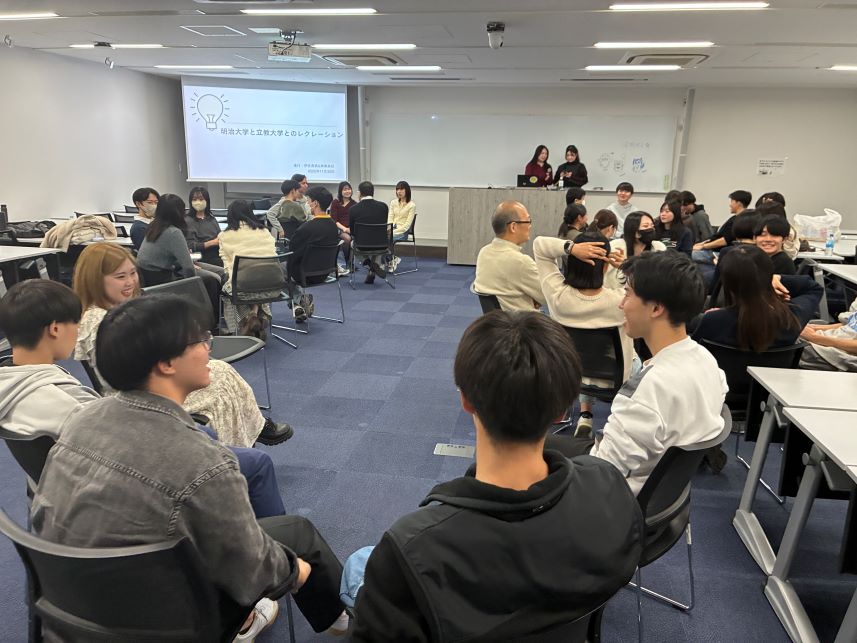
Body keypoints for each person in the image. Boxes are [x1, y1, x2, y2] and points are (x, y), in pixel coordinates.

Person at [30, 294, 349, 640]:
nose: (209, 347)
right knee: (298, 539)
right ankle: (349, 621)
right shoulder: (206, 463)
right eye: (201, 340)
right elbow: (251, 570)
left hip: (76, 609)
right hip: (166, 621)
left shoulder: (82, 421)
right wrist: (294, 572)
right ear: (167, 363)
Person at [349, 311, 644, 642]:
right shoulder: (609, 489)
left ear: (465, 400)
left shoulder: (411, 550)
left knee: (357, 566)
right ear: (563, 409)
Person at [0, 279, 289, 520]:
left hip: (67, 494)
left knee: (205, 431)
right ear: (55, 329)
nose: (78, 331)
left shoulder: (15, 382)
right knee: (255, 463)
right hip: (120, 488)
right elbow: (117, 442)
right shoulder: (57, 398)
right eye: (75, 323)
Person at [73, 242, 292, 448]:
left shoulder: (117, 311)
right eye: (121, 276)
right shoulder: (99, 322)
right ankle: (243, 440)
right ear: (95, 281)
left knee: (220, 371)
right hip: (141, 398)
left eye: (132, 273)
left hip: (150, 384)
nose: (130, 281)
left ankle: (252, 429)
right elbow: (127, 376)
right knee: (220, 381)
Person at [546, 251, 728, 495]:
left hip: (621, 496)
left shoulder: (646, 390)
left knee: (528, 448)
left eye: (628, 294)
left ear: (656, 308)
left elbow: (602, 472)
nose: (621, 304)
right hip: (662, 490)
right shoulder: (706, 360)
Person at [534, 232, 634, 437]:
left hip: (570, 375)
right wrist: (627, 267)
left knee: (581, 353)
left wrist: (571, 248)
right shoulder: (622, 302)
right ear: (605, 267)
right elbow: (650, 287)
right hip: (615, 380)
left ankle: (585, 415)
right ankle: (622, 419)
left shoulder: (557, 296)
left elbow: (539, 246)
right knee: (640, 359)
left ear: (570, 263)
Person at [473, 201, 607, 311]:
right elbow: (553, 297)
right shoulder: (520, 262)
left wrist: (533, 298)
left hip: (498, 325)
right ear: (513, 227)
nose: (530, 225)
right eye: (528, 220)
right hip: (525, 327)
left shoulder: (484, 252)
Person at [692, 245, 821, 352]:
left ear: (726, 281)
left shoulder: (714, 320)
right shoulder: (792, 317)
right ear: (769, 272)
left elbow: (694, 354)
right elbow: (814, 287)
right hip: (774, 375)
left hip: (725, 376)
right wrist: (778, 277)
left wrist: (717, 315)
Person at [135, 193, 224, 324]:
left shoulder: (154, 226)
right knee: (213, 279)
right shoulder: (173, 232)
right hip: (165, 278)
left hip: (152, 277)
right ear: (178, 212)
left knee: (217, 272)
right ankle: (212, 322)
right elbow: (188, 269)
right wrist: (193, 287)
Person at [219, 199, 281, 336]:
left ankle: (247, 319)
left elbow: (227, 267)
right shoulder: (265, 231)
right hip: (273, 286)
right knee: (256, 280)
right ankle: (255, 314)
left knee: (232, 286)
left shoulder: (225, 235)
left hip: (243, 288)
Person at [287, 186, 340, 320]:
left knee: (277, 271)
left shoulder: (306, 228)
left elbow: (292, 252)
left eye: (308, 201)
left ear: (315, 203)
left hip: (304, 275)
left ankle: (298, 301)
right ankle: (298, 304)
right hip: (325, 273)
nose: (307, 203)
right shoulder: (333, 226)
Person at [348, 181, 390, 285]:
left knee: (352, 244)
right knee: (377, 244)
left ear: (360, 193)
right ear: (373, 192)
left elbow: (352, 232)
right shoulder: (383, 207)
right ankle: (374, 267)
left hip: (361, 246)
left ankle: (370, 265)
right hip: (382, 245)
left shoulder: (353, 209)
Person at [799, 301, 857, 372]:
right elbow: (851, 324)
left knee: (790, 344)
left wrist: (814, 337)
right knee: (791, 330)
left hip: (840, 354)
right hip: (830, 340)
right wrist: (813, 328)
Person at [693, 189, 752, 254]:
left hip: (718, 252)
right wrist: (702, 244)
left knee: (691, 254)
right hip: (712, 248)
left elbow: (725, 240)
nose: (730, 205)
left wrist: (703, 246)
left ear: (739, 203)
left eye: (732, 201)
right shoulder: (735, 218)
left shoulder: (741, 220)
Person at [185, 185, 223, 266]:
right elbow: (190, 246)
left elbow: (220, 236)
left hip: (218, 254)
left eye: (201, 199)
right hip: (202, 258)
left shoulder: (211, 218)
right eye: (194, 199)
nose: (198, 202)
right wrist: (211, 243)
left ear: (207, 201)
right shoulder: (188, 221)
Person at [331, 181, 355, 270]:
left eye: (349, 189)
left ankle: (351, 262)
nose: (347, 191)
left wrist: (350, 229)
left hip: (350, 228)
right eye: (345, 189)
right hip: (338, 228)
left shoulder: (354, 204)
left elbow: (355, 219)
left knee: (355, 238)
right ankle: (348, 262)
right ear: (340, 191)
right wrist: (345, 229)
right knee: (347, 238)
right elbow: (334, 220)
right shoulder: (335, 202)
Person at [129, 186, 159, 251]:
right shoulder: (139, 228)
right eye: (150, 202)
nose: (154, 205)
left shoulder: (155, 222)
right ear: (138, 204)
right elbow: (147, 251)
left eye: (156, 202)